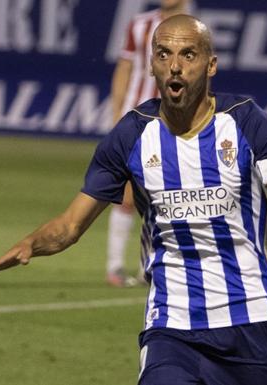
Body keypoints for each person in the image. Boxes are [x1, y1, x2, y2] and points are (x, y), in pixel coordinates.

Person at [0, 15, 267, 385]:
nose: (175, 66)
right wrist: (30, 244)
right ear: (152, 65)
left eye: (188, 55)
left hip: (252, 321)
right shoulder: (131, 135)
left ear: (211, 65)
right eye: (163, 54)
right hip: (172, 329)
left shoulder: (246, 122)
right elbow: (71, 226)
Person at [107, 0, 190, 287]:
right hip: (137, 118)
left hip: (176, 121)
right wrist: (116, 114)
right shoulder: (140, 24)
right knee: (128, 191)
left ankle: (151, 268)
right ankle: (115, 266)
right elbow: (124, 69)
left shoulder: (195, 30)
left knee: (167, 196)